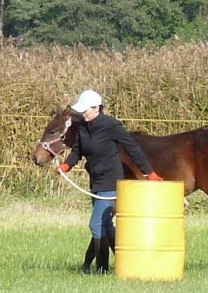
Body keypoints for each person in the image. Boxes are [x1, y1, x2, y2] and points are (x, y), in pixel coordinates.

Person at [57, 89, 163, 274]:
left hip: (111, 181)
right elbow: (77, 151)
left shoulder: (111, 125)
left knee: (95, 224)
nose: (83, 113)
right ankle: (123, 261)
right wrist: (67, 166)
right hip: (96, 181)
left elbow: (132, 147)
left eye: (86, 110)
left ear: (97, 108)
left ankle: (102, 269)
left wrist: (149, 173)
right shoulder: (83, 126)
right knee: (105, 224)